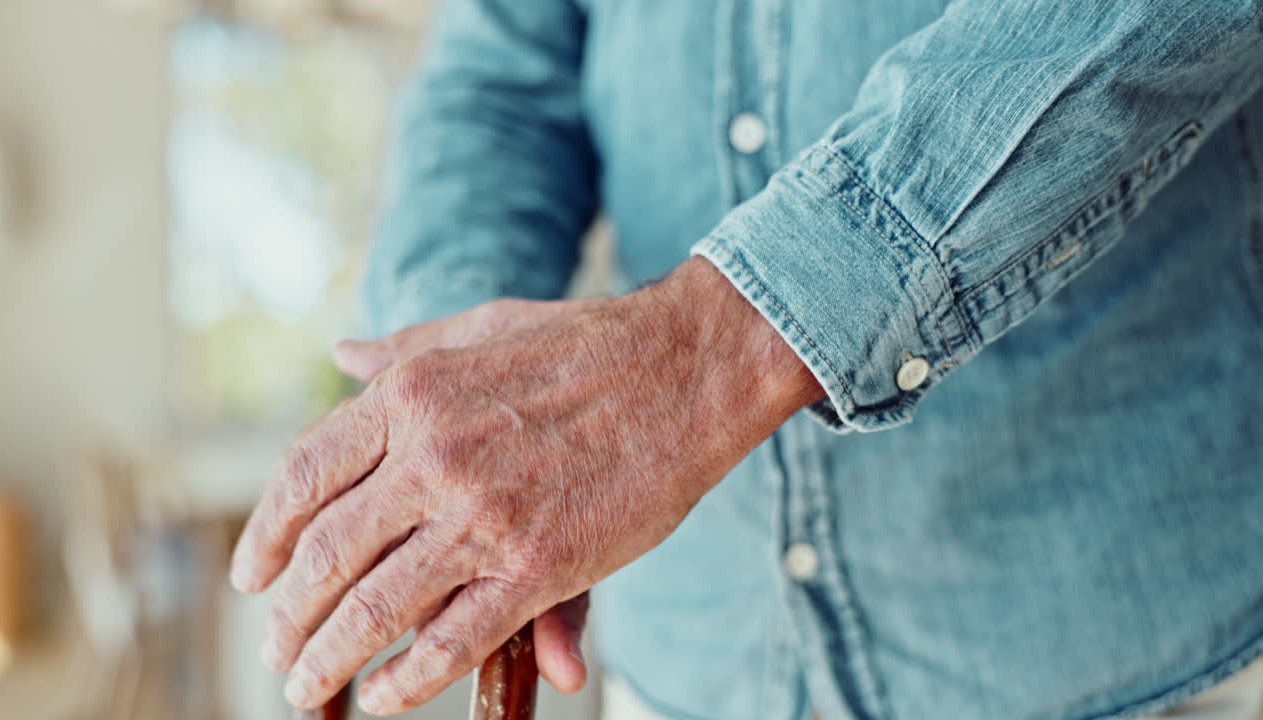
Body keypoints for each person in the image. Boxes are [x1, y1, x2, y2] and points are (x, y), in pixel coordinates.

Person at [228, 2, 1263, 718]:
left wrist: (712, 354)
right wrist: (476, 391)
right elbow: (498, 82)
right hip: (689, 663)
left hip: (1119, 649)